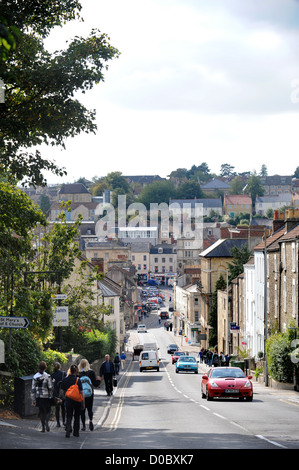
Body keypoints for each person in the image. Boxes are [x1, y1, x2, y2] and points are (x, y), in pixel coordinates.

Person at [61, 364, 84, 438]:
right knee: (77, 416)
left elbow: (63, 391)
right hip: (77, 400)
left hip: (68, 399)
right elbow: (81, 392)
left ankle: (68, 429)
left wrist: (65, 397)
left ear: (70, 370)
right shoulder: (78, 380)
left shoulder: (65, 379)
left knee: (69, 415)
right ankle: (76, 432)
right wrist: (83, 403)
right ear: (76, 371)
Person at [78, 358, 101, 431]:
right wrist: (98, 380)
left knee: (82, 409)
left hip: (81, 394)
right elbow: (95, 384)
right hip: (90, 394)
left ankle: (84, 425)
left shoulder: (78, 373)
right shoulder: (91, 372)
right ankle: (90, 421)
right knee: (90, 409)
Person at [31, 361, 53, 432]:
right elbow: (50, 387)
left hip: (38, 396)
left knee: (41, 412)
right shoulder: (48, 376)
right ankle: (47, 421)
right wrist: (51, 395)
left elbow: (33, 389)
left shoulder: (35, 377)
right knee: (48, 410)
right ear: (45, 368)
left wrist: (33, 400)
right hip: (46, 396)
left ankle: (43, 428)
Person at [51, 362, 66, 428]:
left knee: (57, 408)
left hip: (56, 393)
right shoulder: (64, 374)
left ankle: (58, 423)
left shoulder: (52, 375)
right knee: (63, 408)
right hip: (62, 393)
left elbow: (51, 385)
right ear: (60, 367)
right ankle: (64, 422)